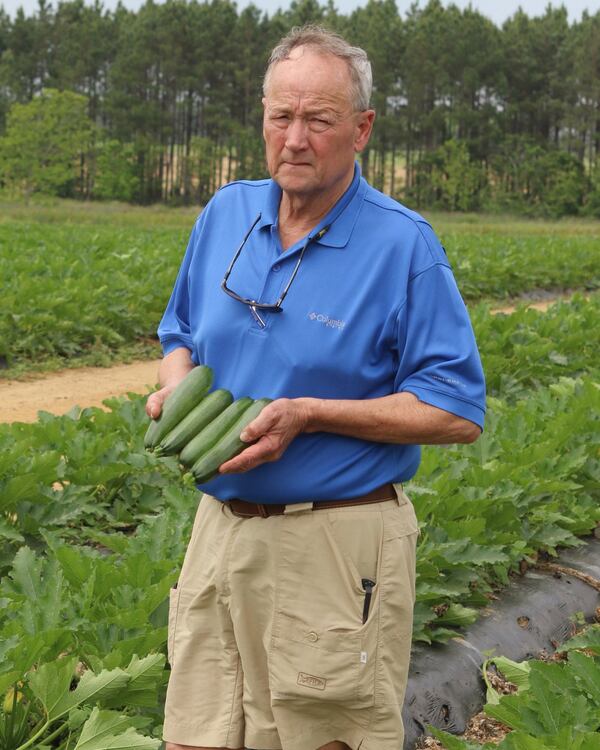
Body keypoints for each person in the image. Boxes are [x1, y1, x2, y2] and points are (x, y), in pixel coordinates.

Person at [147, 24, 485, 750]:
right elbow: (179, 335)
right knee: (194, 736)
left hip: (335, 543)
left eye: (318, 120)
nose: (294, 138)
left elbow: (456, 409)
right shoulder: (226, 214)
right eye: (280, 116)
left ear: (361, 129)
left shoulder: (403, 246)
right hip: (220, 533)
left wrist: (311, 415)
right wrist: (176, 391)